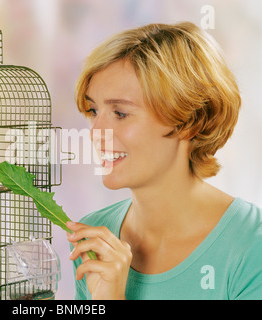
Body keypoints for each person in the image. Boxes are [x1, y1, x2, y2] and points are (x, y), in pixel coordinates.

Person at [67, 21, 262, 300]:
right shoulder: (96, 239)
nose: (96, 133)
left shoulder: (252, 246)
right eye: (93, 110)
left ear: (189, 121)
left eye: (120, 113)